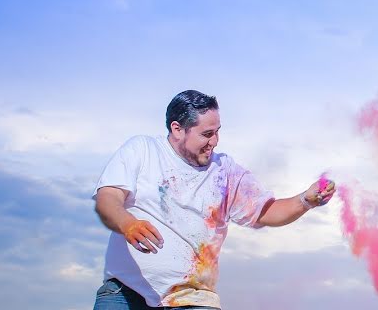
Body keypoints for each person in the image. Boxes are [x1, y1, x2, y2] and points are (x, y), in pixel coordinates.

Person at [92, 90, 335, 309]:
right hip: (125, 292)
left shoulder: (225, 171)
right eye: (207, 134)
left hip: (193, 299)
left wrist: (306, 200)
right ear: (177, 129)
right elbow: (108, 197)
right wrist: (127, 223)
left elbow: (266, 211)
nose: (215, 141)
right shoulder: (142, 150)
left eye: (217, 132)